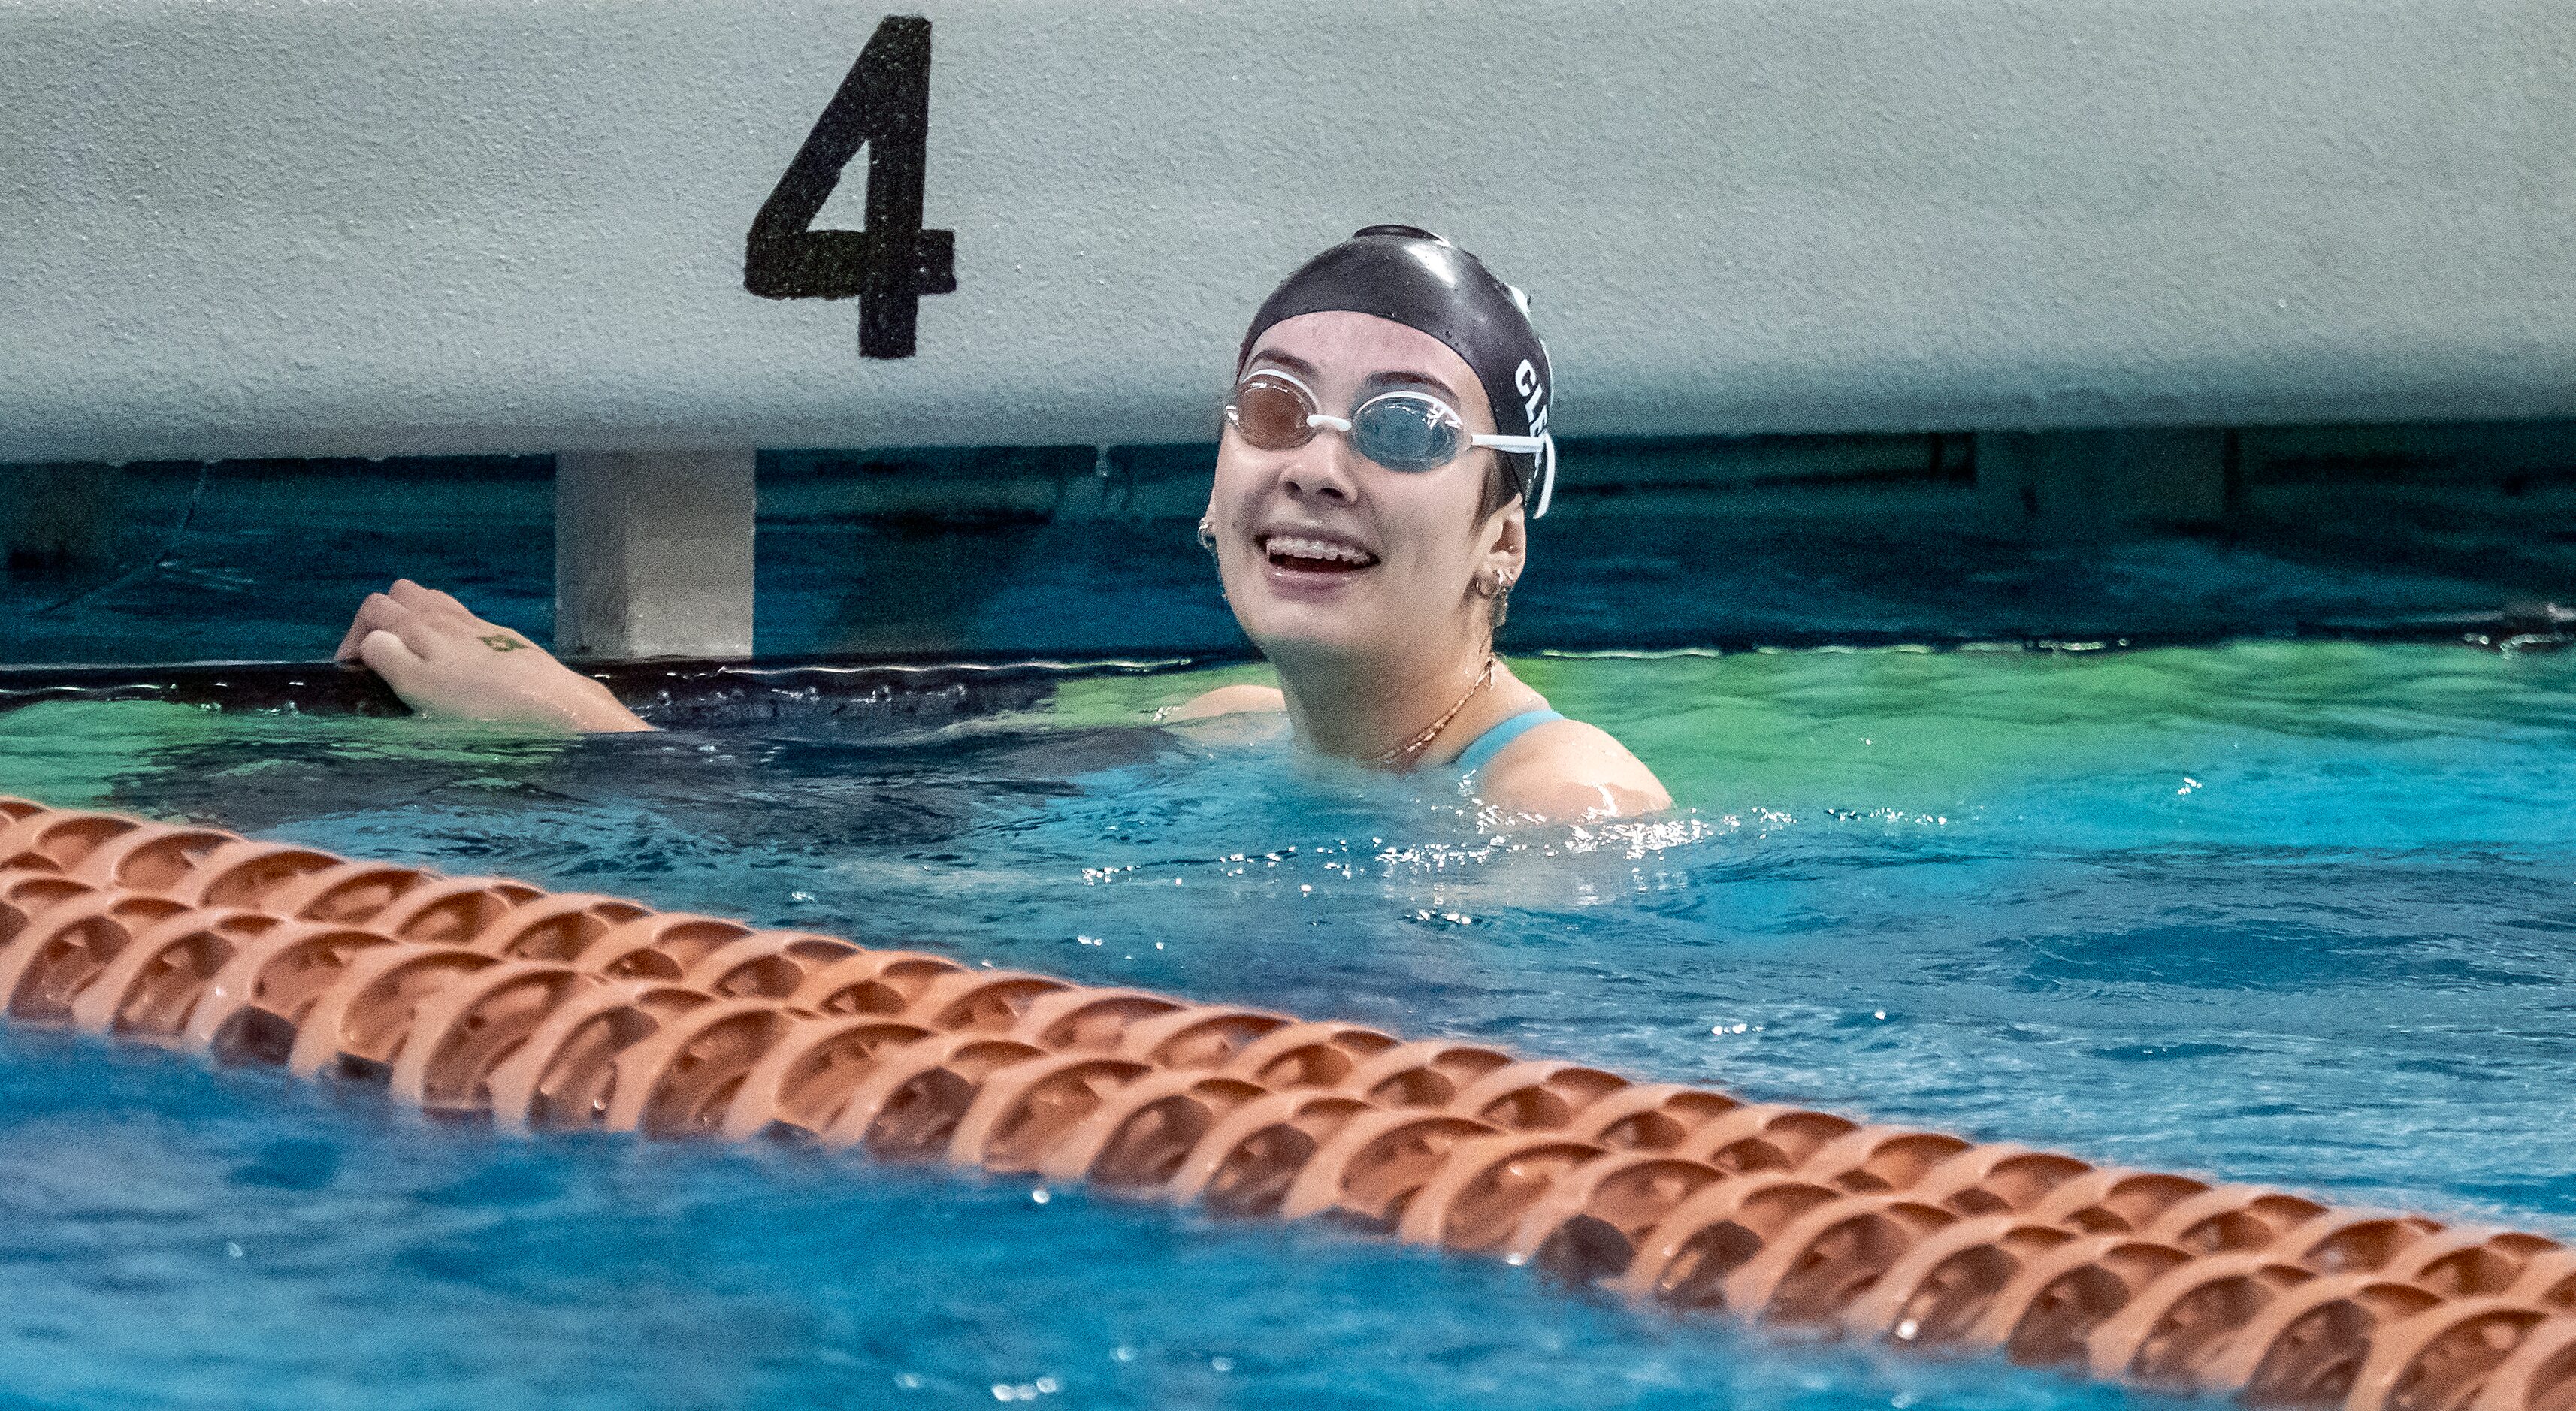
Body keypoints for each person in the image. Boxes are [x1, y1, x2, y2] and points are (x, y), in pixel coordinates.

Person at [337, 226, 1669, 820]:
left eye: (1404, 429)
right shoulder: (1237, 729)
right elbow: (874, 823)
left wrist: (592, 738)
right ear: (1214, 489)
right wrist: (575, 720)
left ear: (1506, 531)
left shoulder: (1566, 806)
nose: (1318, 467)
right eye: (1276, 410)